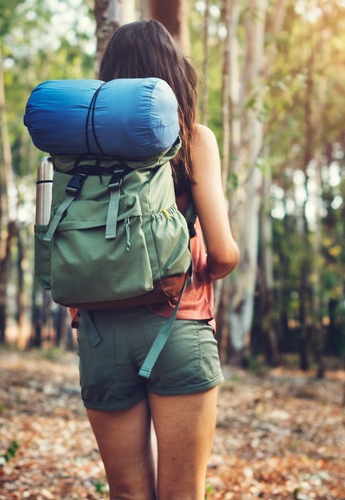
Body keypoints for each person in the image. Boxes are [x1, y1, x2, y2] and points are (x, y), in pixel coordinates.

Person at [74, 19, 240, 499]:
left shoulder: (80, 149)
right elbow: (225, 253)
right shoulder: (192, 139)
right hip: (178, 326)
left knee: (127, 494)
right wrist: (198, 266)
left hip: (100, 333)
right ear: (173, 73)